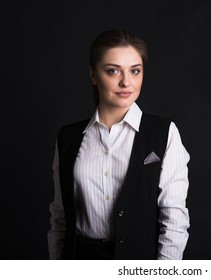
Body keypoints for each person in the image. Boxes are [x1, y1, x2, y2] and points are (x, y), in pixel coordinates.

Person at [47, 29, 190, 260]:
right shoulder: (67, 138)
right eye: (113, 71)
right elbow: (60, 218)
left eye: (135, 71)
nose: (126, 82)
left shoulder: (164, 133)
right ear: (93, 75)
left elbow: (174, 220)